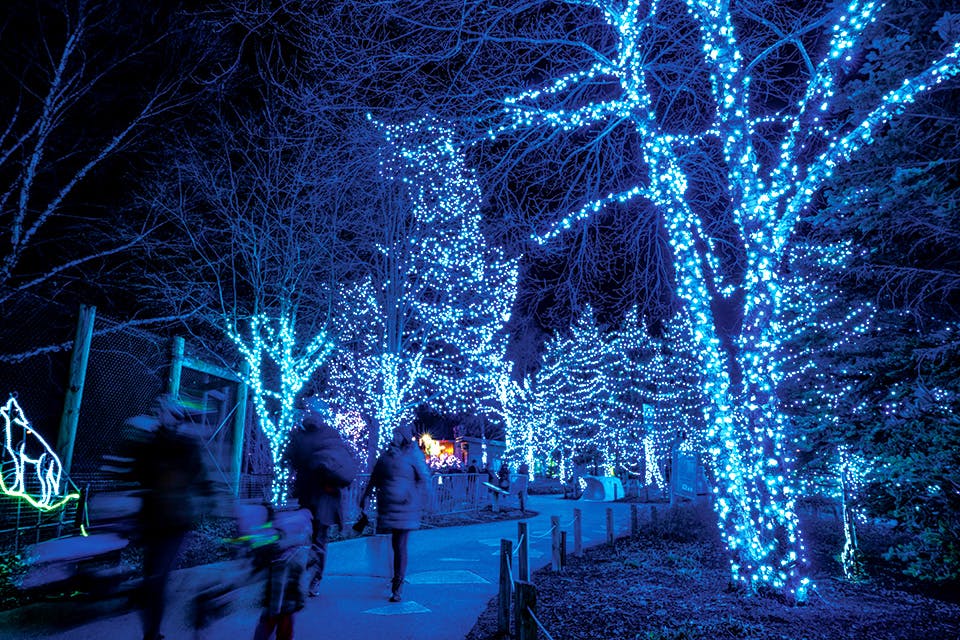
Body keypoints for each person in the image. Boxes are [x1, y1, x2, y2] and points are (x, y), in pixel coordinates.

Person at [126, 394, 211, 640]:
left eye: (171, 413)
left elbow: (198, 477)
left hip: (173, 521)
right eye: (163, 411)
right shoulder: (152, 442)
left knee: (156, 578)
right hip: (155, 518)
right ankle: (151, 629)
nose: (166, 416)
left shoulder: (182, 445)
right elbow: (136, 472)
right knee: (152, 577)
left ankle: (152, 632)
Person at [283, 397, 356, 597]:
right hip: (323, 496)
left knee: (308, 538)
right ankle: (312, 578)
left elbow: (290, 460)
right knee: (318, 540)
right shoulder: (330, 434)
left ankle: (308, 577)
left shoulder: (300, 435)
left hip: (313, 495)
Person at [359, 422, 430, 602]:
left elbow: (424, 479)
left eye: (398, 434)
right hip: (388, 507)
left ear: (404, 437)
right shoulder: (386, 456)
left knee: (399, 546)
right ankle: (393, 579)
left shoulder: (414, 455)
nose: (394, 437)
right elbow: (375, 477)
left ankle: (397, 585)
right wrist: (365, 497)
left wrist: (424, 501)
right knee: (390, 545)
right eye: (393, 434)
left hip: (406, 508)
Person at [251, 507, 312, 640]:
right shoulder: (296, 556)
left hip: (279, 605)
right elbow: (302, 581)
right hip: (284, 605)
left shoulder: (278, 554)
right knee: (280, 630)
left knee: (269, 628)